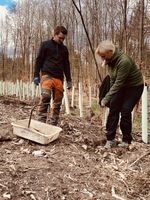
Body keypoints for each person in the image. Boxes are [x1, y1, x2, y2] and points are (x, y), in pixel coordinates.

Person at [95, 40, 144, 148]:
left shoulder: (124, 61)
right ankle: (110, 139)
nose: (102, 58)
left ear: (109, 52)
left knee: (125, 111)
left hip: (134, 87)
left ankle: (126, 140)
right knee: (114, 108)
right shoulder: (109, 61)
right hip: (121, 86)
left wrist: (106, 98)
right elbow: (113, 80)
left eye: (103, 56)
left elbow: (118, 83)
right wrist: (110, 97)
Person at [33, 26, 72, 125]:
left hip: (59, 78)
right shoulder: (45, 45)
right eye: (60, 38)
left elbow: (66, 65)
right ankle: (40, 123)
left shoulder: (64, 49)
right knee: (45, 97)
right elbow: (38, 60)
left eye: (63, 38)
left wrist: (69, 80)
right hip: (47, 75)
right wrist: (36, 75)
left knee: (57, 103)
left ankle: (52, 124)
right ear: (54, 35)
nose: (62, 40)